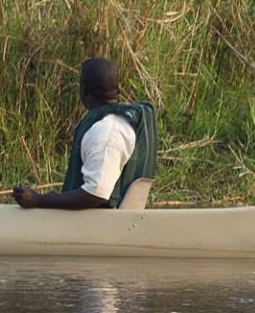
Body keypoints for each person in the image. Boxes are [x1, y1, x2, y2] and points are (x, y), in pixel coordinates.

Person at [12, 56, 156, 210]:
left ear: (83, 89)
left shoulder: (106, 132)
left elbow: (95, 194)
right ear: (117, 91)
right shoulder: (120, 123)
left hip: (104, 228)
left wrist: (38, 200)